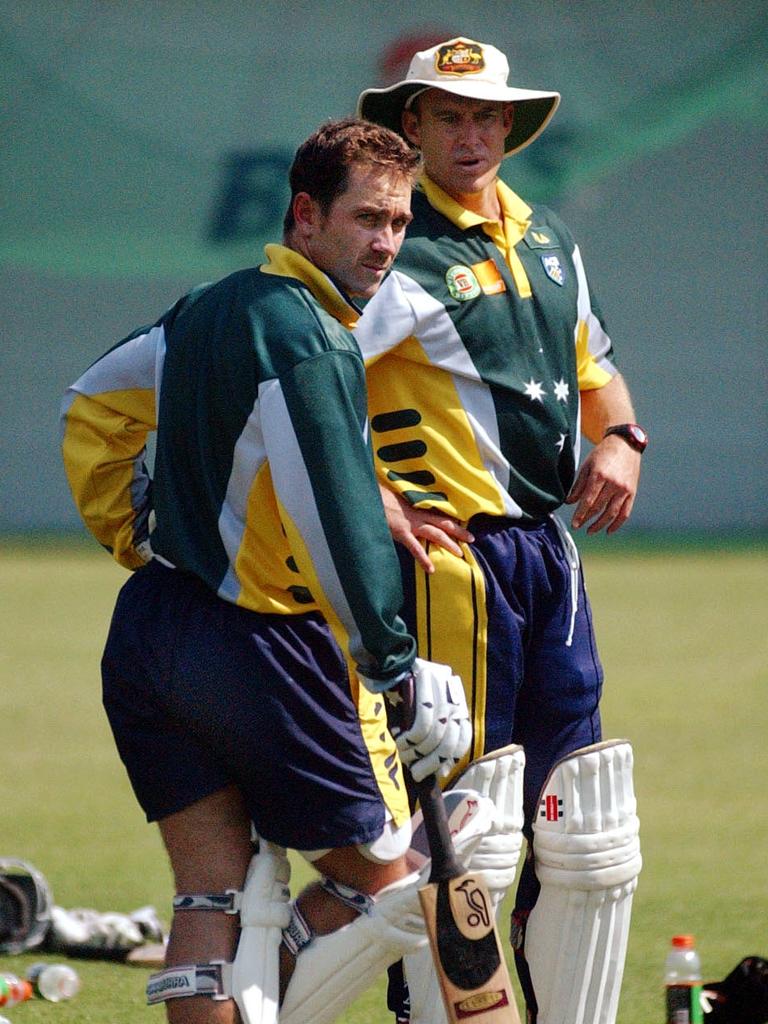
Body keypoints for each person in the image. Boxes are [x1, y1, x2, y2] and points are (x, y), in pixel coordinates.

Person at [59, 118, 474, 1024]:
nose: (386, 243)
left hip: (152, 628)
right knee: (390, 883)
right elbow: (335, 517)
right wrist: (394, 667)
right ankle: (276, 973)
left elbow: (90, 403)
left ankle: (253, 976)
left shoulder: (205, 306)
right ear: (304, 216)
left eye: (401, 223)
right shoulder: (308, 336)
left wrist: (133, 530)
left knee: (211, 897)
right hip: (262, 651)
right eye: (367, 218)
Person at [355, 38, 644, 1024]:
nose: (472, 134)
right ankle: (431, 1011)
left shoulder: (549, 235)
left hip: (549, 555)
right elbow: (305, 383)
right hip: (451, 564)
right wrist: (377, 500)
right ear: (414, 127)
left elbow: (597, 373)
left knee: (581, 820)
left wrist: (623, 441)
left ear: (510, 129)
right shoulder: (393, 246)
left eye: (487, 117)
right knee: (466, 820)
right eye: (449, 116)